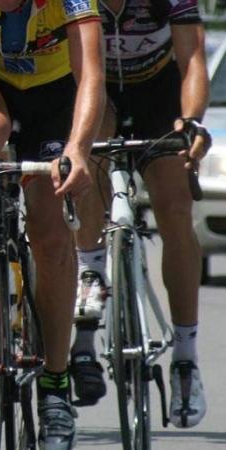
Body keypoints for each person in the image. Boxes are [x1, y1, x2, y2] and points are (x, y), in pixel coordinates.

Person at [0, 0, 105, 447]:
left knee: (51, 238)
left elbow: (91, 75)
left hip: (55, 95)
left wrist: (78, 149)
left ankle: (55, 386)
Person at [70, 0, 210, 428]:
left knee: (175, 207)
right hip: (96, 91)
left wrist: (192, 121)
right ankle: (91, 272)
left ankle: (185, 357)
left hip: (158, 96)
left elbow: (192, 59)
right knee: (90, 156)